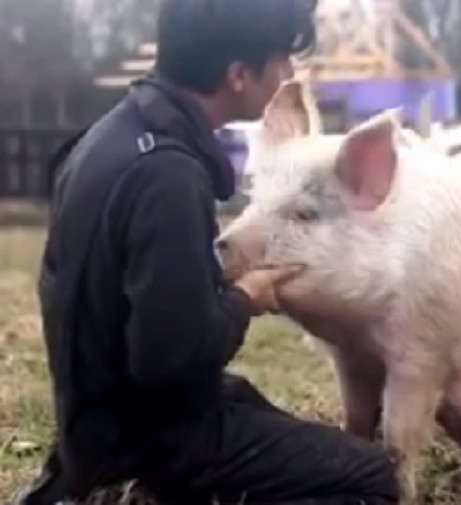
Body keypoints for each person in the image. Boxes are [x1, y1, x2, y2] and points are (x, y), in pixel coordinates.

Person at [13, 0, 399, 503]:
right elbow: (172, 367)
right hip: (145, 441)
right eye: (280, 59)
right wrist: (245, 299)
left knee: (252, 407)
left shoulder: (110, 138)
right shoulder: (168, 176)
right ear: (239, 74)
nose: (288, 74)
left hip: (92, 423)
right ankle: (132, 494)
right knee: (369, 478)